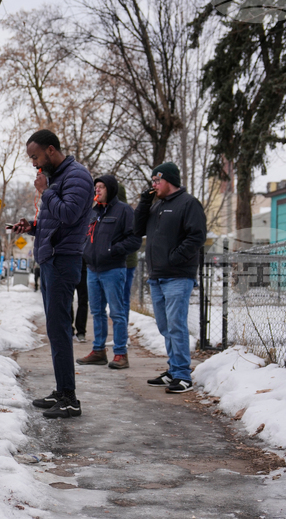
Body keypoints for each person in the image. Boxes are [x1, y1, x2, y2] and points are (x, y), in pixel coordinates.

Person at [11, 130, 94, 419]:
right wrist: (31, 227)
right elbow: (56, 220)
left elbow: (70, 215)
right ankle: (61, 391)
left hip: (63, 260)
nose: (34, 163)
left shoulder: (77, 176)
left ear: (50, 150)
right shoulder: (59, 178)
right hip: (51, 258)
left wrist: (45, 192)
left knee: (59, 329)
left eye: (35, 156)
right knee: (54, 329)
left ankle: (70, 398)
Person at [133, 161, 207, 394]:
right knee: (165, 326)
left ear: (170, 181)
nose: (154, 184)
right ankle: (173, 370)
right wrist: (145, 202)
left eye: (157, 180)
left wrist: (174, 258)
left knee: (176, 325)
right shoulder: (156, 207)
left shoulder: (188, 204)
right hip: (157, 276)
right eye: (152, 181)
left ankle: (183, 375)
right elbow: (137, 229)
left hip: (177, 276)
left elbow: (197, 236)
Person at [76, 174, 141, 369]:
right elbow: (85, 235)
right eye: (96, 187)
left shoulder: (124, 211)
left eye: (101, 187)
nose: (97, 190)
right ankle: (98, 351)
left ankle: (120, 353)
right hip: (92, 269)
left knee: (117, 312)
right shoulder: (92, 212)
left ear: (110, 189)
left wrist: (113, 250)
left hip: (113, 269)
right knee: (96, 312)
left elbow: (134, 239)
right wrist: (85, 250)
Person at [116, 185, 140, 320]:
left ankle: (122, 336)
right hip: (115, 262)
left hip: (126, 263)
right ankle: (119, 335)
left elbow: (133, 238)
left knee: (123, 299)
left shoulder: (126, 212)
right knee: (118, 300)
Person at [74, 261, 88, 343]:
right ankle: (69, 329)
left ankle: (81, 331)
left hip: (84, 269)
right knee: (67, 301)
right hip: (68, 268)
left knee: (83, 301)